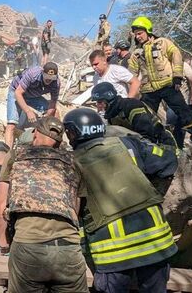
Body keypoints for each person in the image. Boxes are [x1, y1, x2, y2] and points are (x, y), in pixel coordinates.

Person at [62, 108, 178, 293]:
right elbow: (169, 161)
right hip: (156, 242)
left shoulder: (71, 163)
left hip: (113, 253)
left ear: (72, 132)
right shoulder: (128, 144)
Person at [0, 117, 88, 293]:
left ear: (35, 132)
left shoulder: (16, 155)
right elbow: (75, 208)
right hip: (68, 250)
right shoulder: (74, 160)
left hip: (29, 247)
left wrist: (3, 245)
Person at [128, 16, 192, 145]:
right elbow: (131, 74)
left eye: (140, 33)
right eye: (136, 35)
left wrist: (177, 77)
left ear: (148, 31)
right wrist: (132, 93)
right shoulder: (136, 53)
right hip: (149, 90)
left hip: (168, 85)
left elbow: (176, 56)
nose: (138, 36)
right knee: (146, 117)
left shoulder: (162, 43)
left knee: (183, 112)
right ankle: (148, 140)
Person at [91, 82, 177, 149]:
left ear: (108, 100)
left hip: (161, 144)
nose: (98, 106)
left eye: (99, 102)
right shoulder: (113, 114)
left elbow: (147, 134)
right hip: (141, 144)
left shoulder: (131, 106)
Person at [4, 62, 61, 149]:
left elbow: (53, 102)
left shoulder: (56, 83)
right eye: (47, 77)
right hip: (16, 93)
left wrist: (47, 118)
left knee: (54, 113)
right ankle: (7, 153)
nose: (49, 80)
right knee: (11, 124)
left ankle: (54, 147)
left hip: (33, 96)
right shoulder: (32, 74)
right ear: (42, 72)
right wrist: (28, 111)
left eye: (52, 78)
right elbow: (18, 93)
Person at [165, 60, 192, 148]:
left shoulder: (184, 65)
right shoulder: (163, 65)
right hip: (170, 101)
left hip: (183, 101)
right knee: (173, 125)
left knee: (183, 124)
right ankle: (172, 146)